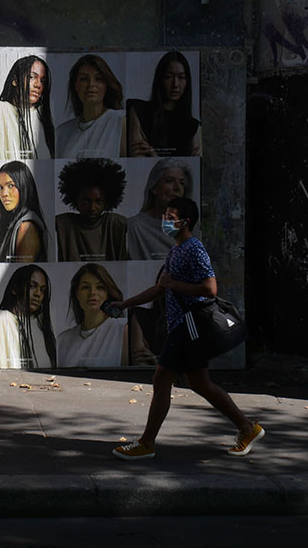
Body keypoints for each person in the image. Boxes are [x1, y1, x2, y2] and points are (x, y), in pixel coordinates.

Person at [111, 197, 264, 460]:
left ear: (186, 222)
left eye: (171, 218)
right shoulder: (176, 250)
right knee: (200, 383)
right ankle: (247, 427)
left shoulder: (194, 248)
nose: (165, 222)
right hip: (184, 328)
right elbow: (160, 289)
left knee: (161, 380)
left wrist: (175, 285)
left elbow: (210, 288)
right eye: (165, 216)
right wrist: (125, 303)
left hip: (188, 328)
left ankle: (146, 443)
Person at [128, 51, 202, 157]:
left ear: (187, 81)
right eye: (168, 77)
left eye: (181, 77)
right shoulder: (139, 110)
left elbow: (193, 162)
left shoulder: (192, 125)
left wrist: (154, 154)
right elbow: (137, 156)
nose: (175, 84)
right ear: (160, 79)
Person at [0, 264, 56, 369]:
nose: (38, 294)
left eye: (42, 290)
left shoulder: (42, 324)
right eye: (32, 286)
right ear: (15, 289)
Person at [0, 55, 55, 159]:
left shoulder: (45, 114)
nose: (38, 85)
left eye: (42, 81)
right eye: (32, 77)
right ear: (15, 81)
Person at [55, 158, 128, 261]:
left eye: (98, 202)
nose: (92, 208)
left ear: (106, 202)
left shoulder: (115, 223)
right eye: (86, 201)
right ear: (76, 199)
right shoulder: (64, 223)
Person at [57, 264, 128, 367]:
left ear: (107, 294)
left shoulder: (123, 331)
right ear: (77, 294)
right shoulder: (63, 340)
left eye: (100, 287)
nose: (92, 293)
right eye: (86, 287)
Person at [56, 54, 126, 159]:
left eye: (98, 79)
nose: (91, 85)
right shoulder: (62, 132)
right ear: (76, 85)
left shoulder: (121, 122)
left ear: (106, 86)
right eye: (84, 79)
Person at [127, 157, 194, 261]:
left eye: (182, 183)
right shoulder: (133, 226)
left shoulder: (192, 226)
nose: (178, 187)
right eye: (169, 181)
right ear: (154, 188)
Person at [0, 161, 48, 263]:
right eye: (0, 188)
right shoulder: (14, 223)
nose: (4, 194)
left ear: (24, 186)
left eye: (10, 186)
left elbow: (22, 272)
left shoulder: (26, 226)